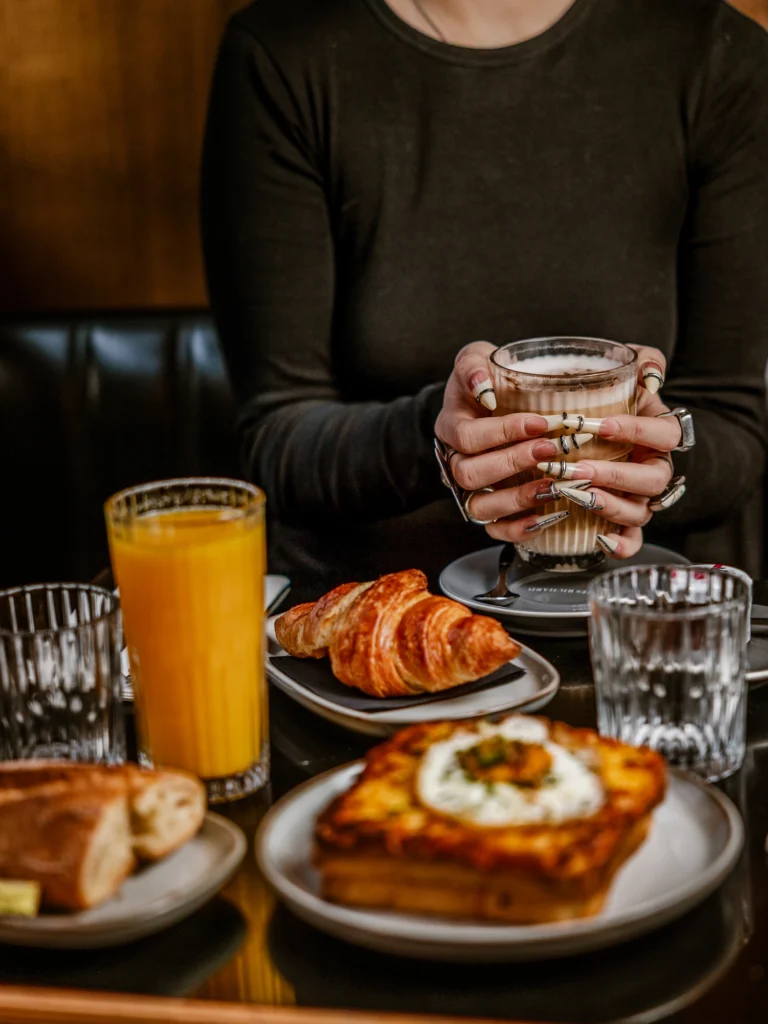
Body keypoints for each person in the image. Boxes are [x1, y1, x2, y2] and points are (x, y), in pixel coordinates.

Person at [201, 0, 768, 599]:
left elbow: (729, 423)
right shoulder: (284, 54)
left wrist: (646, 464)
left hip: (638, 617)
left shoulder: (716, 53)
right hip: (378, 613)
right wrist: (437, 435)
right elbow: (278, 434)